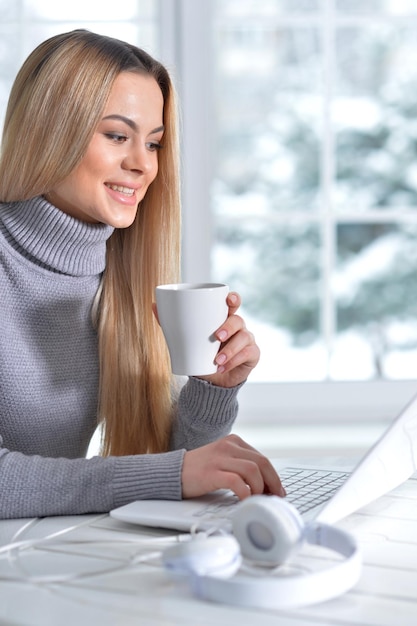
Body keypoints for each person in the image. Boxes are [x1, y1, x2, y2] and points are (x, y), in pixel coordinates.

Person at [0, 29, 285, 520]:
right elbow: (162, 476)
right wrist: (171, 476)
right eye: (116, 135)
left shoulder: (122, 272)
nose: (141, 165)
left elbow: (164, 457)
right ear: (51, 130)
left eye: (153, 144)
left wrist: (213, 390)